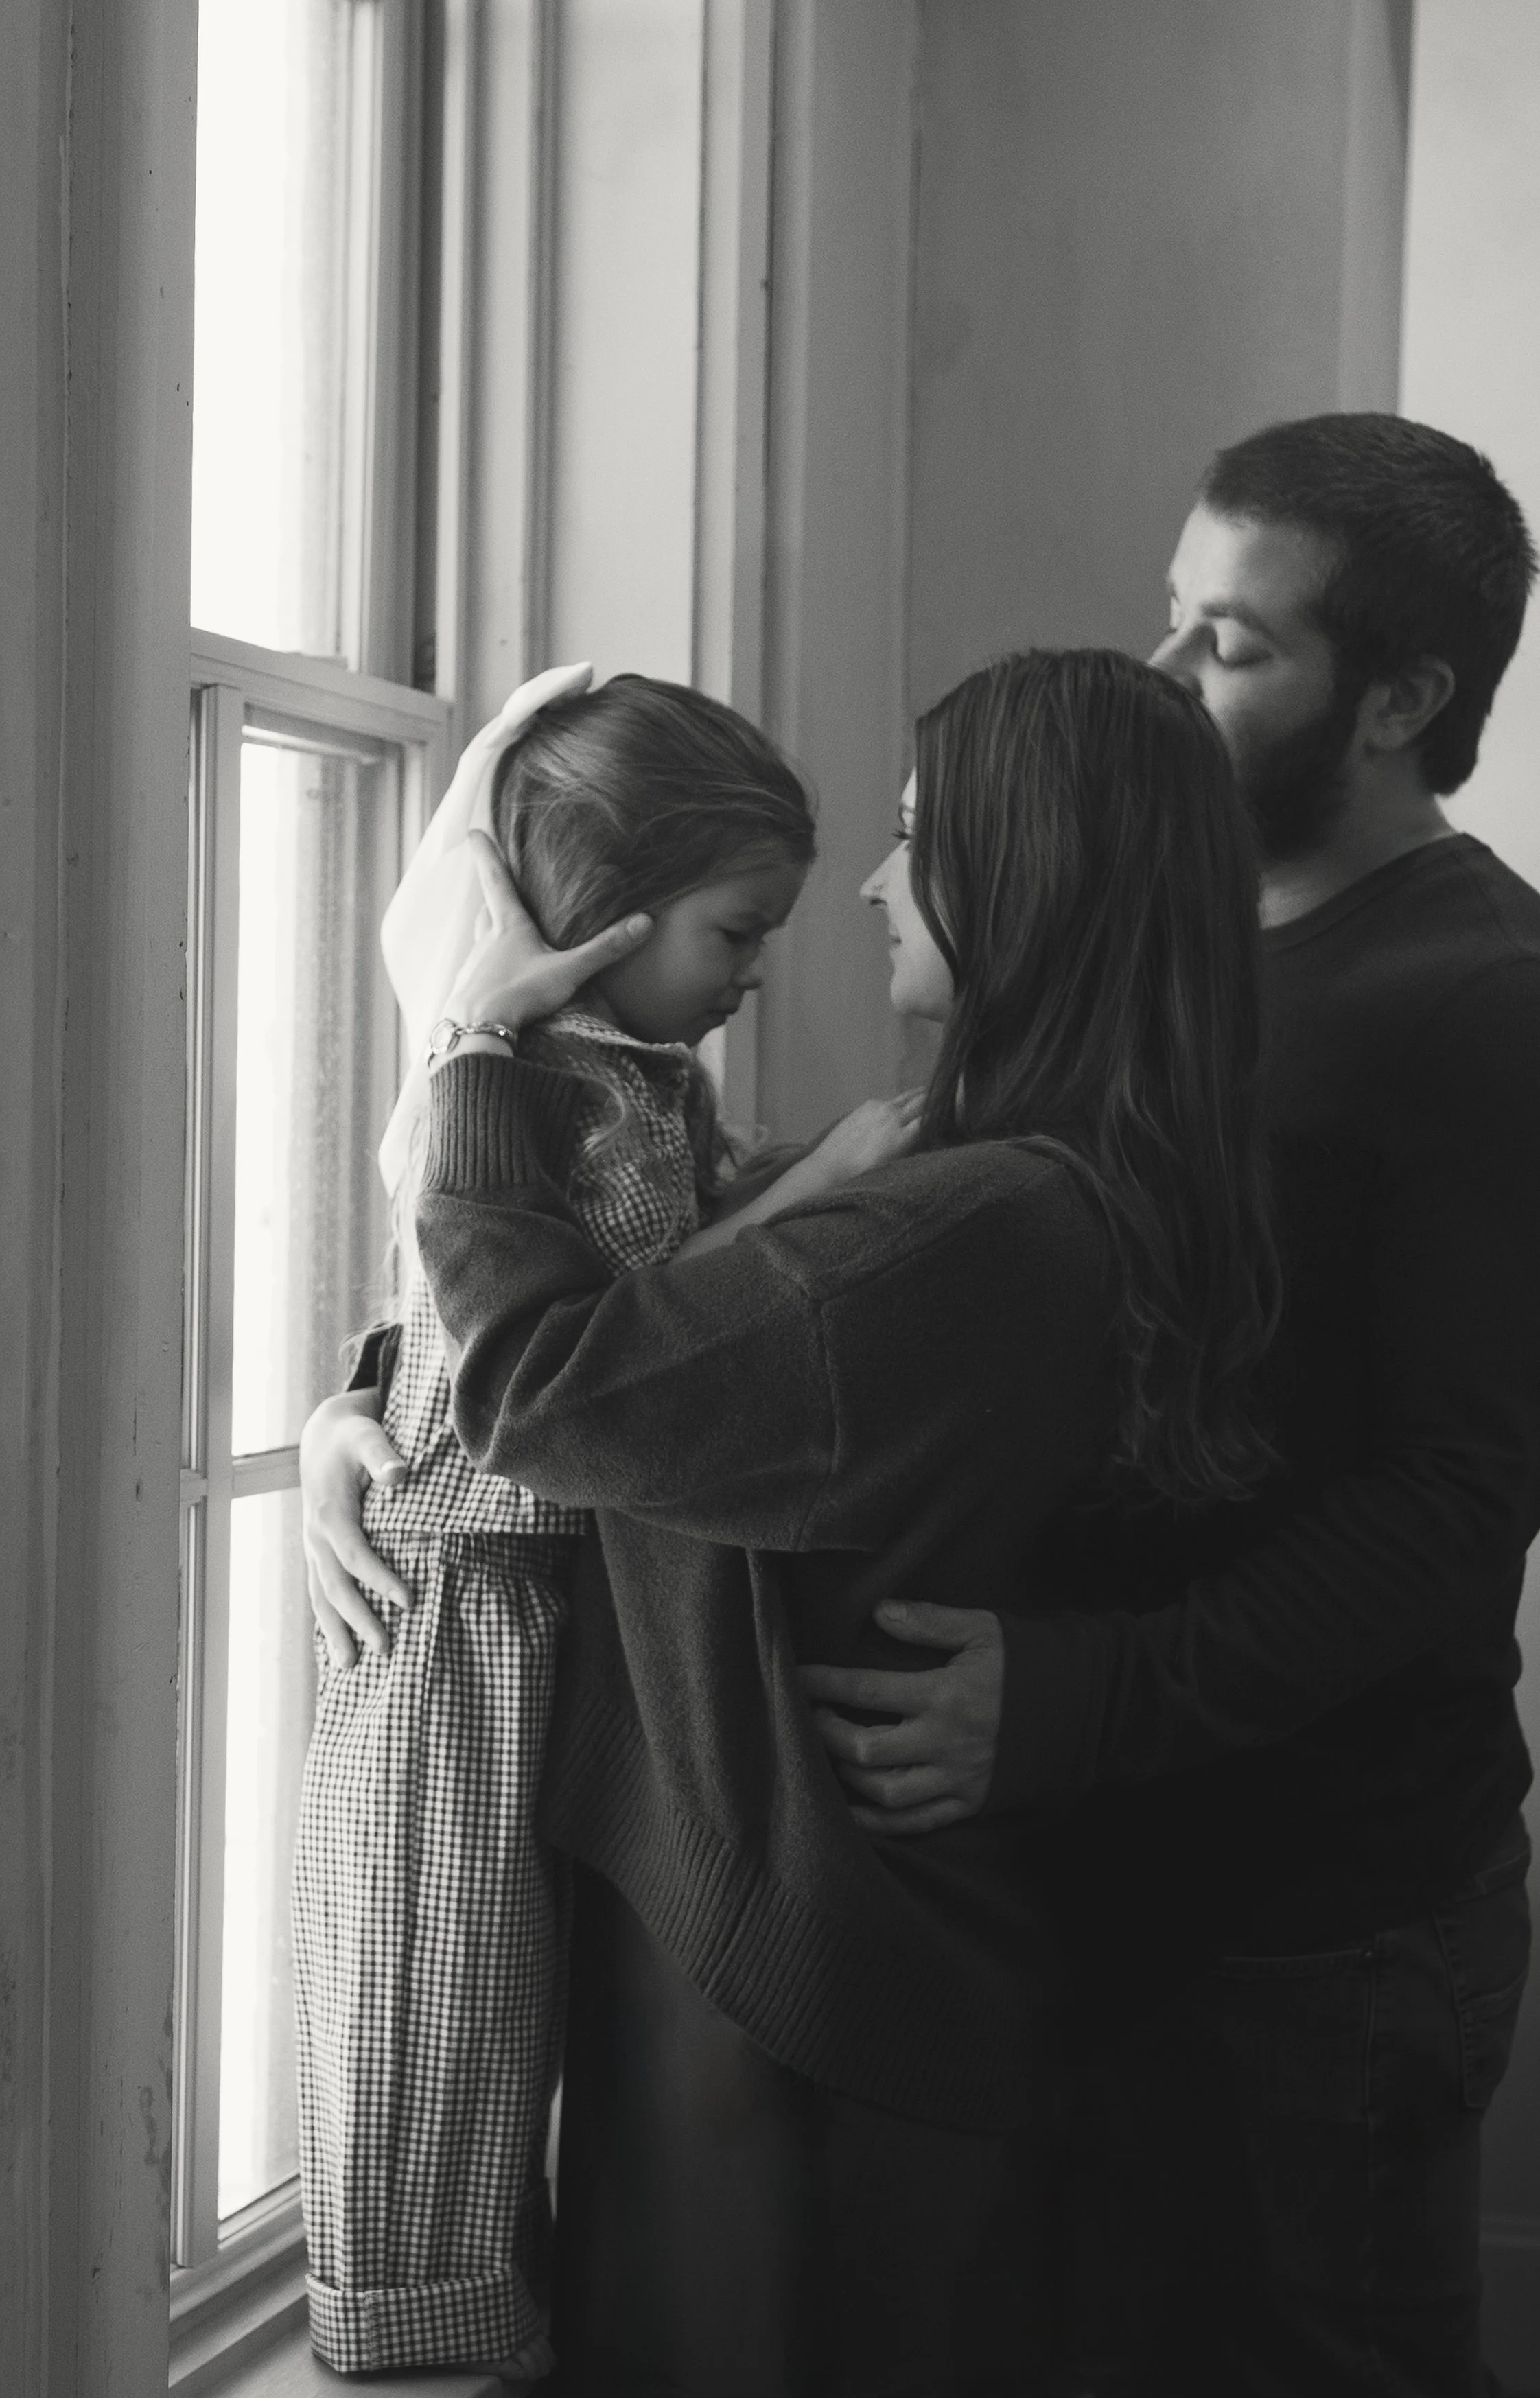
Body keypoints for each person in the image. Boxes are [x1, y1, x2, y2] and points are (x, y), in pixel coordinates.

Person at [308, 646, 1279, 2393]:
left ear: (1026, 879)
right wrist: (359, 1407)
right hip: (849, 1943)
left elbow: (557, 1391)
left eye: (920, 841)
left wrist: (465, 1047)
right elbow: (666, 1354)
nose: (880, 885)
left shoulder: (972, 1225)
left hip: (796, 1978)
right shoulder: (1016, 1183)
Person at [799, 415, 1540, 2396]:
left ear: (1399, 701)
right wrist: (413, 1409)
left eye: (1226, 642)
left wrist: (1070, 1694)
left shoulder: (1483, 1008)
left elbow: (1456, 1501)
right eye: (1166, 615)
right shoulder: (1165, 949)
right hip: (1086, 1888)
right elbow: (902, 1253)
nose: (1154, 679)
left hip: (1324, 1921)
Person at [293, 666, 933, 2380]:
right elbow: (610, 1361)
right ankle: (410, 2346)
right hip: (464, 1633)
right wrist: (835, 1177)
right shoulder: (524, 1085)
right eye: (732, 933)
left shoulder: (628, 1079)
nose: (746, 979)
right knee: (432, 2043)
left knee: (516, 2062)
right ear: (604, 914)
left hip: (558, 1621)